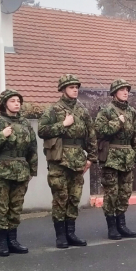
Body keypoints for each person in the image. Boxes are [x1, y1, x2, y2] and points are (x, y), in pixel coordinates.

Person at [38, 74, 97, 248]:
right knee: (60, 197)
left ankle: (71, 233)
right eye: (71, 87)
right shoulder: (53, 109)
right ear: (63, 89)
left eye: (76, 87)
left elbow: (91, 135)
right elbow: (42, 130)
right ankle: (61, 236)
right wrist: (62, 124)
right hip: (59, 160)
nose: (75, 89)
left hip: (78, 159)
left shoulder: (82, 111)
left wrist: (91, 158)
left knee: (74, 198)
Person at [0, 89, 37, 256]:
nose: (17, 103)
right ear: (4, 104)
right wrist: (1, 135)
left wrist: (32, 169)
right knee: (1, 208)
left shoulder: (25, 123)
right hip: (0, 172)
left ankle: (12, 240)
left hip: (21, 170)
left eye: (18, 100)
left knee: (16, 207)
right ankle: (2, 242)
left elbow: (32, 148)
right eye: (12, 100)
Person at [95, 79, 136, 240]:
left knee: (125, 192)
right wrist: (117, 122)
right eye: (122, 90)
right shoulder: (106, 110)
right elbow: (99, 131)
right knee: (111, 193)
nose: (125, 92)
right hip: (111, 157)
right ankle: (112, 227)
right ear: (114, 93)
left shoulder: (132, 112)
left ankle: (122, 225)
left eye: (127, 89)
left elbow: (135, 135)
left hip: (127, 156)